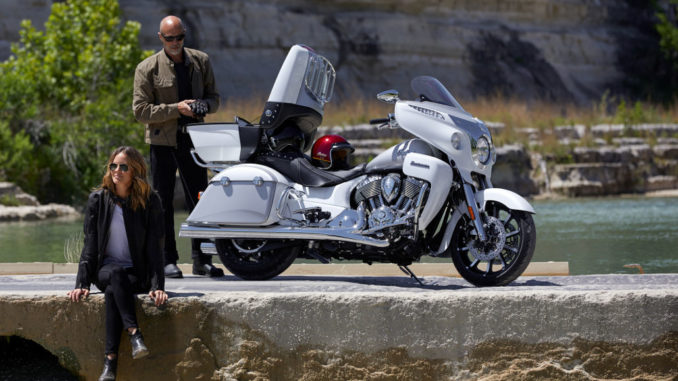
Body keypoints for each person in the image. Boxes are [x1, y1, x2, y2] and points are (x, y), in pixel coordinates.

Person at [133, 15, 223, 278]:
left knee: (201, 200)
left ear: (185, 35)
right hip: (162, 142)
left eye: (179, 37)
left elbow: (214, 98)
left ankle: (201, 260)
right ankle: (165, 260)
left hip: (194, 140)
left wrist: (204, 106)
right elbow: (140, 111)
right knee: (162, 203)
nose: (175, 42)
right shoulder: (146, 68)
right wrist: (177, 109)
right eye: (169, 38)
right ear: (160, 38)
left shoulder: (201, 61)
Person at [67, 146, 168, 381]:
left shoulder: (149, 200)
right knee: (113, 275)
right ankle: (134, 334)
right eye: (114, 165)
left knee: (114, 289)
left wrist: (157, 285)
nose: (117, 171)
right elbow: (90, 244)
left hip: (135, 275)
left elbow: (155, 247)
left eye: (124, 167)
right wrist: (82, 282)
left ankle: (110, 363)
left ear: (136, 171)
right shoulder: (98, 200)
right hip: (104, 271)